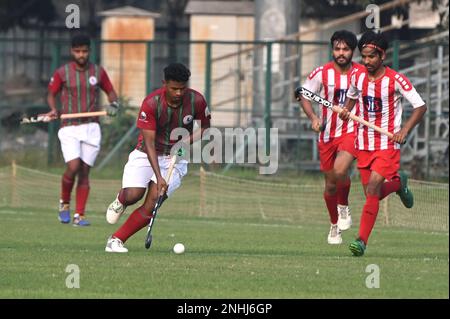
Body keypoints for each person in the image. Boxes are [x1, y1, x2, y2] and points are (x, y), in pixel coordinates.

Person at [104, 62, 211, 253]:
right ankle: (121, 200)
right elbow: (150, 144)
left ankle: (116, 240)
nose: (179, 93)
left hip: (175, 157)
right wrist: (159, 177)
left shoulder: (197, 101)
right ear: (164, 84)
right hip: (146, 153)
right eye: (174, 89)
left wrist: (185, 142)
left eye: (182, 88)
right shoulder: (151, 103)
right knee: (133, 195)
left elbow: (204, 128)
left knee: (153, 200)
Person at [339, 30, 427, 256]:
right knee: (373, 194)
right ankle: (399, 184)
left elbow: (421, 106)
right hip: (363, 142)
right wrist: (346, 111)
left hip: (387, 143)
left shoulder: (396, 80)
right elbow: (352, 95)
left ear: (382, 56)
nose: (366, 61)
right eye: (363, 57)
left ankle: (361, 241)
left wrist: (404, 130)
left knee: (373, 186)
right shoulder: (357, 77)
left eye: (371, 57)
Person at [45, 33, 119, 226]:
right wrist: (53, 109)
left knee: (85, 171)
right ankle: (64, 203)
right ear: (72, 51)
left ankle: (80, 215)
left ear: (89, 51)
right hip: (69, 127)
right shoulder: (62, 72)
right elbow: (51, 94)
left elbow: (111, 92)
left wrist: (114, 104)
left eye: (84, 51)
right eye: (77, 51)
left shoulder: (98, 72)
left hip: (92, 126)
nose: (81, 54)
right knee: (73, 166)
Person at [298, 30, 363, 244]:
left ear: (353, 51)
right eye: (337, 49)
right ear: (332, 50)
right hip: (327, 134)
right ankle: (334, 224)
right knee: (330, 185)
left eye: (345, 49)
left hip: (351, 130)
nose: (341, 53)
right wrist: (313, 118)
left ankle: (343, 207)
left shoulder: (362, 73)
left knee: (340, 169)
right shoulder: (321, 73)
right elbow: (304, 95)